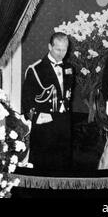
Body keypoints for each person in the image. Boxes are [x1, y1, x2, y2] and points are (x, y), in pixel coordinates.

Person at [21, 32, 74, 172]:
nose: (61, 53)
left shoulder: (69, 68)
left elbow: (67, 96)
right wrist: (37, 117)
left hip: (63, 123)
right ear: (50, 46)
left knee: (63, 165)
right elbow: (26, 100)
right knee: (43, 166)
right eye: (58, 49)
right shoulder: (36, 69)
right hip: (45, 124)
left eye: (65, 50)